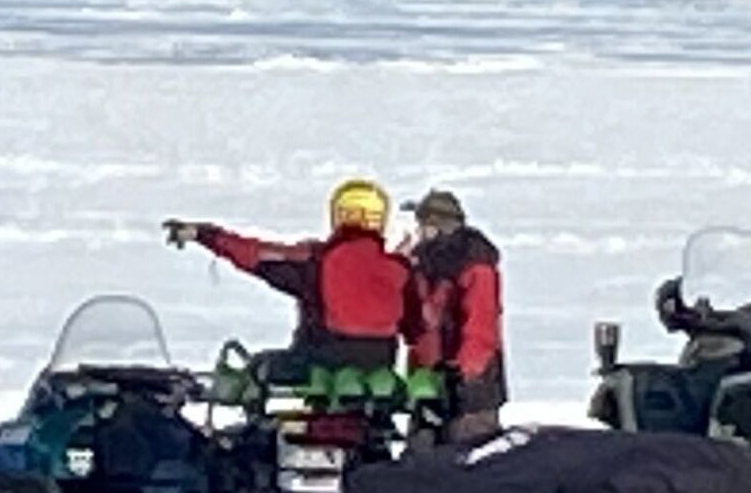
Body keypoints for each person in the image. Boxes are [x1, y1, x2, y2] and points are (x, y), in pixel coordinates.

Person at [166, 178, 416, 365]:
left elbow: (255, 255)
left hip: (318, 359)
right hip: (380, 361)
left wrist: (205, 235)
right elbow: (416, 323)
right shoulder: (398, 268)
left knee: (258, 369)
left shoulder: (316, 260)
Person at [406, 187, 508, 442]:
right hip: (430, 383)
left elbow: (481, 324)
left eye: (424, 224)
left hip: (470, 389)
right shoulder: (424, 264)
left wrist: (466, 373)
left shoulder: (475, 265)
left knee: (469, 456)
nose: (419, 231)